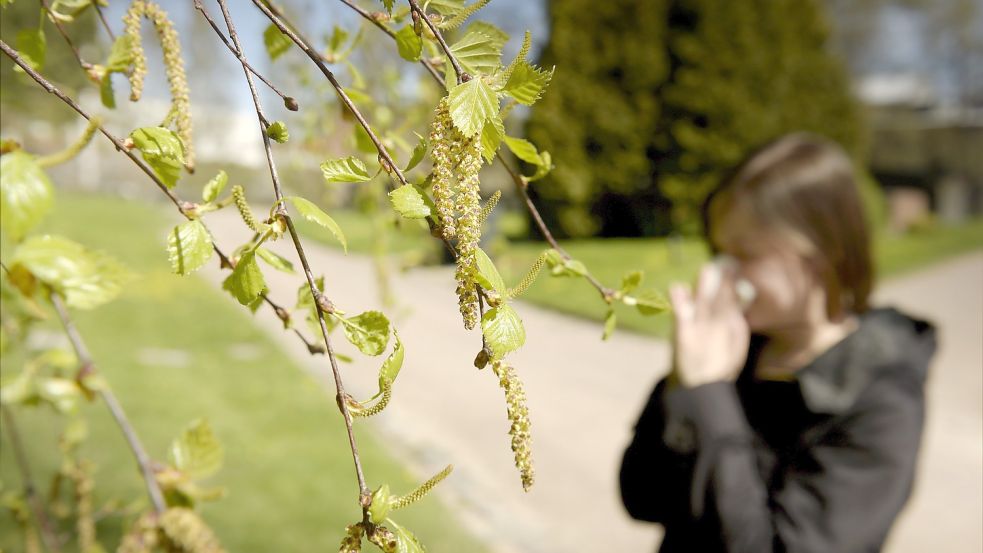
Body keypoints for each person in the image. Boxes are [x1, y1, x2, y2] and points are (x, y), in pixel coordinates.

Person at [619, 133, 937, 552]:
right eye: (718, 250)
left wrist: (710, 398)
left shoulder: (881, 399)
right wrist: (683, 386)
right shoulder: (740, 348)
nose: (722, 271)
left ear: (823, 251)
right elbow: (641, 497)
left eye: (745, 253)